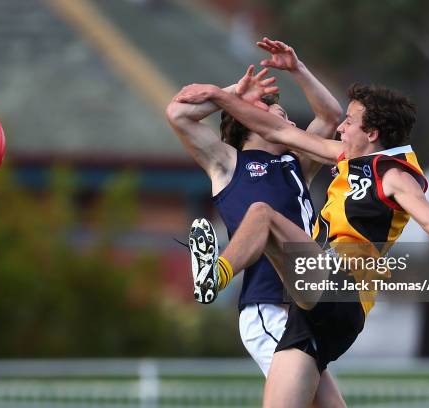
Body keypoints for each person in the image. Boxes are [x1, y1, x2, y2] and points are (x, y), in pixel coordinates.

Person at [175, 82, 429, 408]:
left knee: (263, 215)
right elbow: (283, 133)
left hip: (343, 283)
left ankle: (216, 275)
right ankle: (215, 275)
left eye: (350, 121)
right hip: (313, 311)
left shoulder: (394, 175)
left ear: (372, 133)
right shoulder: (346, 159)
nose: (342, 126)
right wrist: (271, 77)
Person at [166, 38, 347, 407]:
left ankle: (216, 271)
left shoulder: (298, 163)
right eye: (275, 113)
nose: (288, 119)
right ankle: (216, 274)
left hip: (305, 305)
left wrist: (298, 68)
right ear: (252, 121)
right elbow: (178, 114)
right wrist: (230, 93)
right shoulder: (228, 163)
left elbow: (330, 115)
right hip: (269, 308)